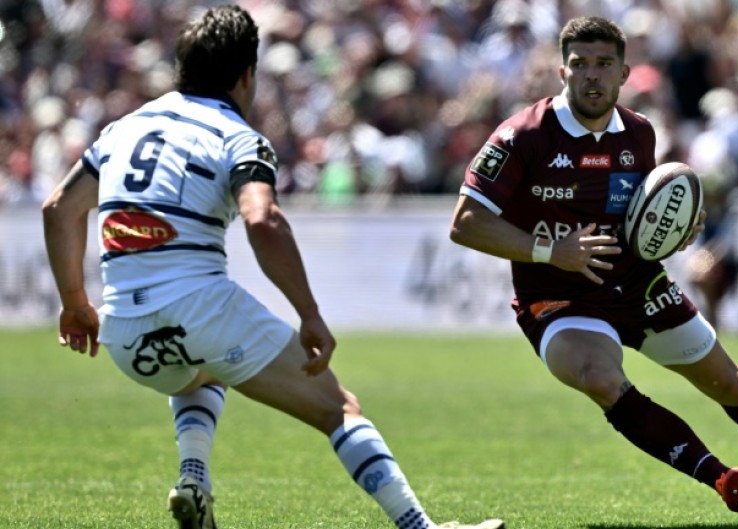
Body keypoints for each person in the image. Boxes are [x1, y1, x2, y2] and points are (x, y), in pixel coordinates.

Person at [41, 6, 504, 529]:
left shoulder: (122, 128)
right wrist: (309, 314)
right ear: (247, 75)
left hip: (123, 332)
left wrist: (77, 305)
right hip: (199, 306)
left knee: (200, 370)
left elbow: (58, 209)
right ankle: (420, 528)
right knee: (340, 409)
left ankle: (193, 477)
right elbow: (263, 220)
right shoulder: (237, 136)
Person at [449, 16, 738, 523]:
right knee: (599, 379)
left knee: (730, 385)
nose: (591, 76)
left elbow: (642, 218)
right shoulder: (524, 135)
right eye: (580, 65)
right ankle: (721, 477)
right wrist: (550, 252)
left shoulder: (639, 134)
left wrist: (676, 227)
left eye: (603, 65)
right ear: (562, 71)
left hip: (639, 284)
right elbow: (466, 223)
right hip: (559, 300)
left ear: (624, 73)